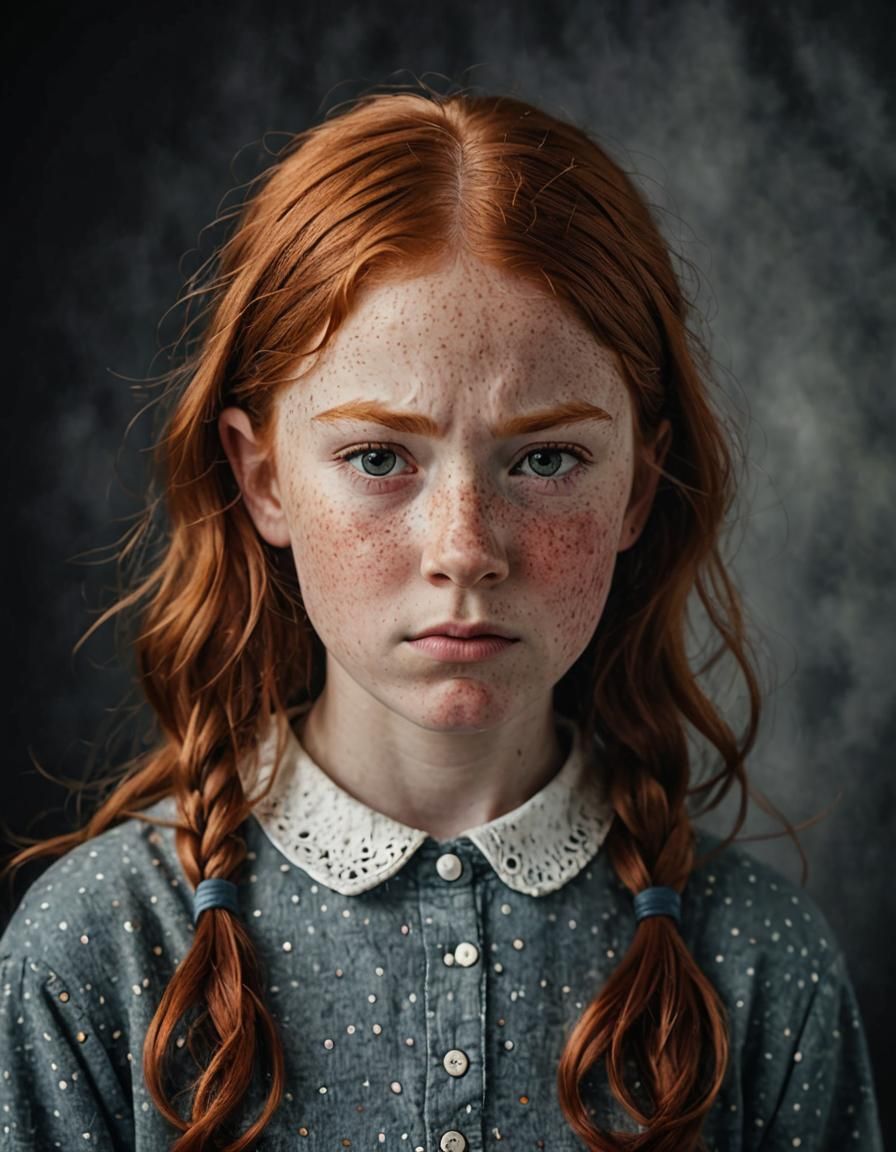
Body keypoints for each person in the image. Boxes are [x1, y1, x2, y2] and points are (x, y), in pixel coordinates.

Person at [0, 82, 884, 1152]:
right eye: (378, 459)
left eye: (546, 459)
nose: (464, 547)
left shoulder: (755, 962)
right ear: (263, 478)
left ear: (637, 490)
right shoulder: (97, 953)